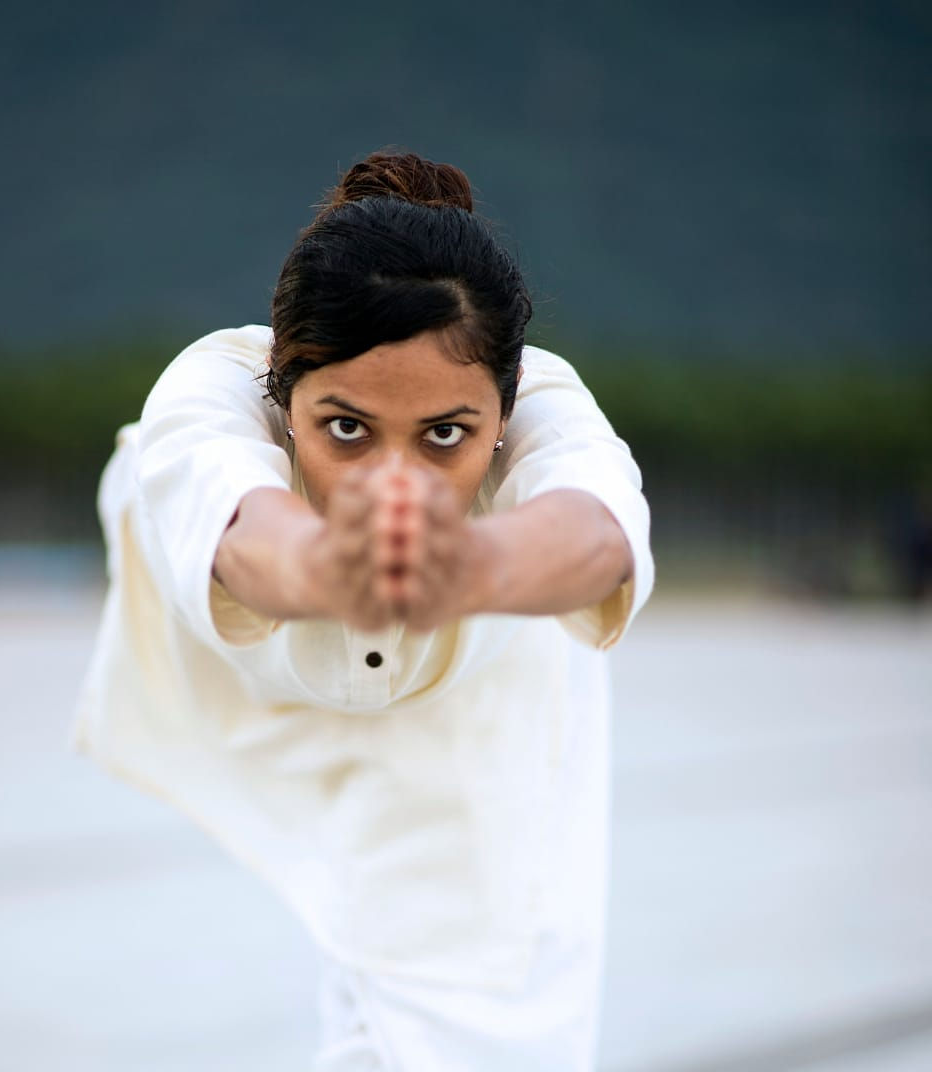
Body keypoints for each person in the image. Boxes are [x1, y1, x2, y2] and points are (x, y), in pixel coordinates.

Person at [73, 151, 654, 1071]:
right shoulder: (214, 388)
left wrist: (467, 564)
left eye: (445, 436)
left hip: (460, 701)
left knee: (486, 1020)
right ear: (281, 385)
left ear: (505, 411)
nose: (395, 477)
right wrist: (331, 564)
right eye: (346, 429)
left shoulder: (542, 396)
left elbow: (599, 535)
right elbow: (245, 538)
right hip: (243, 670)